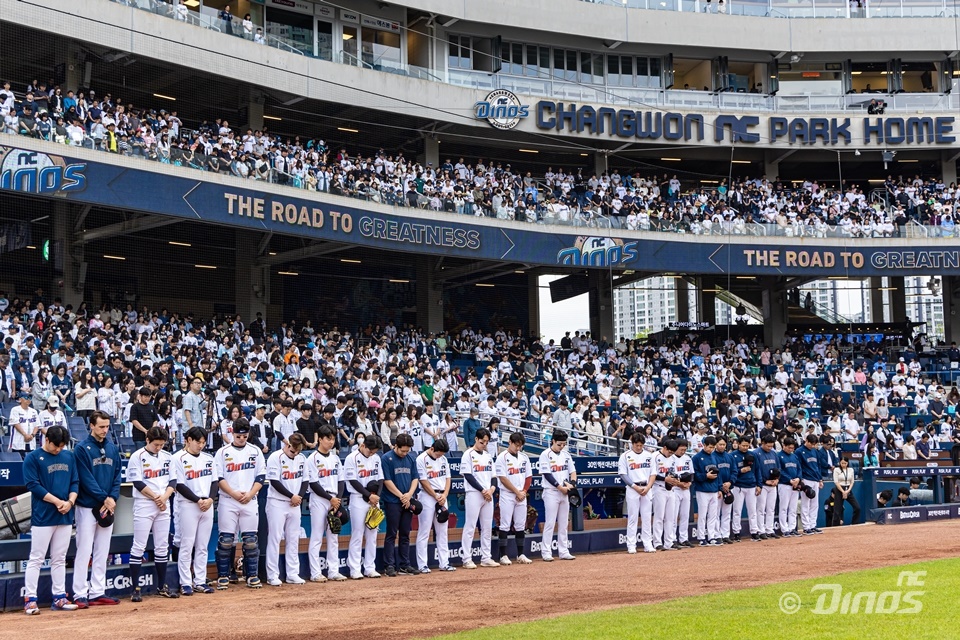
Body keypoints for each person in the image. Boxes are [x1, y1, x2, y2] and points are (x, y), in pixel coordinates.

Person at [22, 426, 79, 614]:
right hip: (43, 515)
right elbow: (33, 485)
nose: (59, 450)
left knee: (60, 558)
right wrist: (57, 502)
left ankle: (60, 597)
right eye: (56, 446)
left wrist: (70, 502)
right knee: (36, 558)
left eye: (62, 446)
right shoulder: (32, 458)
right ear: (47, 440)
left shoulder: (68, 456)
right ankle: (30, 599)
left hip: (64, 514)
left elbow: (74, 481)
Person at [72, 411, 123, 607]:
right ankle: (79, 593)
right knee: (84, 550)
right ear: (91, 426)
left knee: (103, 550)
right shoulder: (81, 449)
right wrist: (105, 498)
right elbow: (85, 479)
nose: (105, 430)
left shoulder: (111, 448)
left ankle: (97, 591)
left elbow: (117, 476)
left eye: (107, 426)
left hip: (107, 506)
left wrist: (113, 497)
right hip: (87, 506)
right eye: (101, 426)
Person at [126, 427, 180, 602]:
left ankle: (161, 586)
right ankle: (135, 588)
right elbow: (137, 482)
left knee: (162, 546)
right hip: (144, 503)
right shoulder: (137, 456)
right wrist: (156, 497)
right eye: (156, 444)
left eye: (161, 444)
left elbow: (173, 481)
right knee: (139, 546)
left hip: (163, 503)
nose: (159, 447)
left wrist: (163, 497)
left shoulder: (167, 457)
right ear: (147, 440)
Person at [214, 417, 265, 589]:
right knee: (226, 540)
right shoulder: (223, 452)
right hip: (229, 499)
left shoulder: (255, 451)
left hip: (249, 499)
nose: (241, 439)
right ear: (232, 433)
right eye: (238, 436)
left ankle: (251, 575)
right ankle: (223, 575)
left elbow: (260, 476)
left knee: (250, 540)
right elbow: (219, 478)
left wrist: (250, 493)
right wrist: (233, 493)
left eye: (244, 436)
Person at [173, 426, 217, 595]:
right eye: (198, 442)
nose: (201, 445)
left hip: (206, 503)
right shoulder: (178, 458)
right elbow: (179, 484)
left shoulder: (208, 458)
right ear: (188, 440)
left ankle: (199, 580)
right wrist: (198, 500)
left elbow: (214, 481)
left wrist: (210, 499)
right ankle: (185, 582)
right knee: (187, 544)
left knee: (202, 545)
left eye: (203, 442)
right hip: (188, 504)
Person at [265, 432, 308, 586]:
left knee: (293, 538)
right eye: (293, 450)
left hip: (295, 503)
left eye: (298, 451)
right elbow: (274, 481)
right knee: (275, 538)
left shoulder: (302, 458)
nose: (295, 453)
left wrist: (299, 497)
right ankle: (272, 575)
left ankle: (292, 573)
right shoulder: (275, 457)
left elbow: (305, 480)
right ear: (287, 444)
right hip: (277, 502)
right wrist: (292, 496)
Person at [306, 424, 347, 582]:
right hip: (319, 499)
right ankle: (315, 573)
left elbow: (341, 481)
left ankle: (333, 571)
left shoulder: (335, 458)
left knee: (334, 536)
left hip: (334, 499)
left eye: (333, 438)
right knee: (317, 536)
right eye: (328, 439)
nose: (331, 442)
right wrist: (331, 499)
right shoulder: (312, 459)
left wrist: (337, 501)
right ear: (320, 439)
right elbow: (314, 484)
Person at [380, 432, 420, 577]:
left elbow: (415, 478)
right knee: (391, 533)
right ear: (396, 446)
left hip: (407, 501)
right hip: (392, 501)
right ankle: (389, 565)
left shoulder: (411, 458)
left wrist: (409, 495)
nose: (404, 453)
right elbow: (387, 481)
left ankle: (405, 564)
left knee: (405, 534)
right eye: (402, 450)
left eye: (407, 450)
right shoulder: (386, 458)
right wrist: (401, 496)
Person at [344, 434, 383, 579]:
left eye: (374, 451)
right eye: (370, 451)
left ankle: (369, 567)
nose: (372, 453)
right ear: (363, 445)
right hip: (358, 498)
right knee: (357, 534)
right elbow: (353, 481)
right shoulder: (351, 458)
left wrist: (376, 496)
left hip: (373, 499)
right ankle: (354, 569)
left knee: (372, 534)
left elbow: (380, 478)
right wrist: (369, 496)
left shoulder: (376, 458)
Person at [460, 427, 499, 569]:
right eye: (482, 442)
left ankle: (486, 557)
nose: (484, 445)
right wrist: (483, 490)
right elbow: (468, 475)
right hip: (474, 493)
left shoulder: (488, 456)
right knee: (470, 526)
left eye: (487, 442)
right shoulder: (468, 454)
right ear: (476, 439)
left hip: (488, 495)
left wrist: (491, 489)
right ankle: (466, 558)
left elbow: (494, 476)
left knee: (487, 527)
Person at [415, 437, 455, 573]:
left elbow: (448, 478)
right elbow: (423, 481)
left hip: (441, 496)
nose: (440, 456)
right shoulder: (421, 459)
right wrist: (436, 495)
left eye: (442, 454)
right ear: (432, 449)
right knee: (424, 531)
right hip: (427, 496)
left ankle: (444, 563)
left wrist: (444, 495)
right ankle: (422, 565)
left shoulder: (443, 459)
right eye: (438, 454)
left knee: (442, 532)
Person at [538, 428, 577, 562]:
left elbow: (573, 472)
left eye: (563, 444)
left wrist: (571, 484)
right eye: (559, 444)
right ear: (553, 441)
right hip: (551, 492)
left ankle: (563, 551)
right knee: (550, 522)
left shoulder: (566, 455)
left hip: (565, 492)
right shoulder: (545, 454)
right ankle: (546, 552)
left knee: (564, 523)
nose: (561, 446)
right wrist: (560, 487)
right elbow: (547, 474)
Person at [494, 431, 533, 565]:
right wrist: (517, 491)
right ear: (510, 442)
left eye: (520, 446)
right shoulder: (502, 457)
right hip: (507, 494)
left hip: (521, 495)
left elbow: (528, 477)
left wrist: (523, 491)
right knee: (504, 524)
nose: (518, 448)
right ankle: (503, 555)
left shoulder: (524, 457)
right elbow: (503, 478)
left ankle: (521, 554)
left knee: (520, 525)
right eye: (516, 445)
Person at [617, 432, 655, 554]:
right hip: (633, 488)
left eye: (641, 445)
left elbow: (653, 473)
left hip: (646, 487)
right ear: (632, 444)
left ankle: (647, 544)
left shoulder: (649, 455)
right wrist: (635, 487)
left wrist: (648, 487)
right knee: (632, 517)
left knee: (647, 517)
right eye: (637, 445)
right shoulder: (625, 456)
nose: (639, 447)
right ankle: (631, 544)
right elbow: (623, 474)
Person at [692, 436, 721, 546]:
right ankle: (701, 537)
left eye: (713, 447)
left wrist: (719, 488)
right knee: (702, 515)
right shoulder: (697, 458)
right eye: (709, 447)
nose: (711, 449)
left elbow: (718, 474)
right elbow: (694, 475)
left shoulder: (714, 457)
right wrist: (706, 476)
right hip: (702, 489)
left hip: (713, 489)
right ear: (704, 445)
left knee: (713, 515)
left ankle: (711, 536)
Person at [651, 438, 679, 551]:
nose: (671, 454)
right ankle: (657, 542)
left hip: (670, 489)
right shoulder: (655, 456)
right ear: (665, 448)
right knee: (659, 516)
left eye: (673, 452)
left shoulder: (672, 458)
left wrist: (675, 479)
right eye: (670, 451)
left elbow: (674, 472)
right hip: (658, 488)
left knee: (670, 517)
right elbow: (652, 474)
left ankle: (669, 542)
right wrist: (664, 479)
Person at [730, 437, 759, 542]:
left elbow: (757, 470)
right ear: (738, 444)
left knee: (752, 510)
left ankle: (754, 532)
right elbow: (731, 471)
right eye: (743, 445)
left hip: (751, 485)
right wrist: (740, 470)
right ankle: (736, 532)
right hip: (738, 486)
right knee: (737, 510)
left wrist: (759, 484)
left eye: (747, 445)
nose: (745, 447)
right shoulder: (733, 456)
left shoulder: (753, 455)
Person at [753, 435, 781, 540]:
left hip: (773, 485)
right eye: (768, 446)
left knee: (771, 508)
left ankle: (769, 529)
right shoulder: (756, 453)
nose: (770, 448)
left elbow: (778, 468)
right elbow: (756, 470)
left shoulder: (774, 453)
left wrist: (777, 479)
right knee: (760, 509)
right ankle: (761, 530)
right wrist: (763, 482)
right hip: (762, 485)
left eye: (771, 446)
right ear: (762, 443)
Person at [797, 433, 824, 535]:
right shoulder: (799, 451)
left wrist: (820, 479)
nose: (812, 446)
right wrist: (801, 480)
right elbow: (798, 466)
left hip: (815, 479)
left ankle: (813, 525)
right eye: (811, 444)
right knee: (805, 503)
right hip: (806, 479)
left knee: (814, 504)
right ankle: (806, 526)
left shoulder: (815, 451)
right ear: (806, 441)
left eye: (814, 444)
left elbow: (818, 466)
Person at [776, 437, 802, 537]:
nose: (791, 450)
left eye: (792, 448)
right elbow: (780, 470)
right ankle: (784, 529)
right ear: (784, 446)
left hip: (795, 485)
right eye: (789, 448)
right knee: (783, 508)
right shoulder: (779, 456)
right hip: (784, 485)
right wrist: (790, 480)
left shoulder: (794, 456)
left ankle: (792, 528)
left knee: (793, 508)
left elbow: (799, 469)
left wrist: (798, 479)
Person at [671, 439, 694, 548]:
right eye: (681, 449)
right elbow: (671, 475)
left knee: (685, 515)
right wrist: (679, 484)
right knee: (674, 515)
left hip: (686, 489)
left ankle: (683, 538)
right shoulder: (671, 459)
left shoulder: (688, 458)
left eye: (685, 449)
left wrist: (689, 483)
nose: (683, 451)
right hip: (675, 489)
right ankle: (672, 539)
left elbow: (691, 474)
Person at [831, 457, 861, 526]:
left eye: (845, 463)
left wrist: (848, 491)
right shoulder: (836, 469)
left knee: (857, 507)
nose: (843, 465)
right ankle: (835, 526)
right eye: (842, 463)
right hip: (839, 489)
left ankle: (854, 523)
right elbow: (836, 482)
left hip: (848, 489)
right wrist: (843, 491)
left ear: (848, 463)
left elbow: (852, 482)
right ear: (840, 463)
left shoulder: (851, 470)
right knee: (837, 510)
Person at [10, 391, 40, 458]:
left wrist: (32, 435)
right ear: (20, 399)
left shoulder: (34, 411)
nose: (28, 399)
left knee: (31, 463)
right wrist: (25, 435)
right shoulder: (15, 410)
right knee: (18, 462)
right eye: (26, 397)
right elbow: (16, 424)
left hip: (31, 441)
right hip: (19, 441)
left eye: (30, 397)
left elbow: (37, 425)